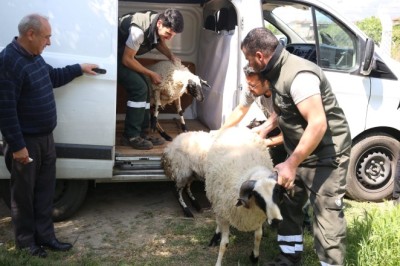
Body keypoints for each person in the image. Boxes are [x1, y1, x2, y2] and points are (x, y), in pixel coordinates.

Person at [241, 27, 352, 266]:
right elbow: (283, 110)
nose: (249, 64)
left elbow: (318, 124)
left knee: (326, 215)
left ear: (260, 56)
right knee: (289, 206)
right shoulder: (275, 72)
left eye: (249, 59)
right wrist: (265, 129)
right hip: (300, 154)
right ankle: (288, 259)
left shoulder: (299, 75)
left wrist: (291, 163)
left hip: (326, 155)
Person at [0, 14, 99, 258]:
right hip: (26, 143)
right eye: (47, 37)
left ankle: (46, 236)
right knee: (23, 195)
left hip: (45, 139)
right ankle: (26, 243)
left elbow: (52, 77)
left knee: (45, 191)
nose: (49, 42)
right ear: (31, 34)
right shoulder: (9, 61)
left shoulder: (34, 58)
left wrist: (79, 68)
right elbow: (5, 108)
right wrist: (17, 146)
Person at [117, 8, 184, 150]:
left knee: (146, 86)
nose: (169, 37)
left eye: (173, 35)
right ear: (159, 23)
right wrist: (151, 73)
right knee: (139, 88)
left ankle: (142, 133)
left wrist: (170, 56)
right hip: (115, 56)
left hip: (125, 56)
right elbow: (127, 60)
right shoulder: (139, 31)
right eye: (168, 33)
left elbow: (158, 41)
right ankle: (130, 136)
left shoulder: (157, 23)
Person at [220, 64, 286, 165]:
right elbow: (241, 110)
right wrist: (220, 132)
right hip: (276, 125)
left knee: (259, 159)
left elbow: (291, 133)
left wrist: (262, 143)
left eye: (253, 85)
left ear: (267, 82)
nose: (249, 88)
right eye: (248, 84)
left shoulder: (282, 96)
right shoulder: (252, 90)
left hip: (295, 135)